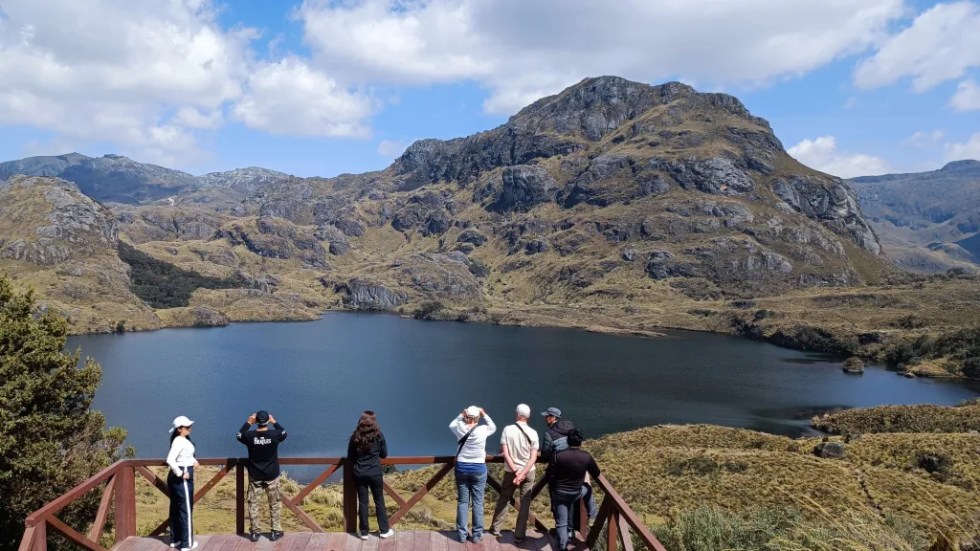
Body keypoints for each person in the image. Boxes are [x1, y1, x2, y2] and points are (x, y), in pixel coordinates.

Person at [488, 404, 539, 543]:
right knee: (525, 503)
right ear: (528, 417)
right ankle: (519, 535)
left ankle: (495, 529)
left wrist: (517, 472)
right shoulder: (533, 433)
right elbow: (533, 458)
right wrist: (522, 474)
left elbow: (505, 453)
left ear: (517, 414)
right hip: (529, 472)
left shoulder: (507, 430)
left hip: (511, 471)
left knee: (504, 499)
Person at [236, 410, 288, 541]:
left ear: (256, 422)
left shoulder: (249, 436)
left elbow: (238, 435)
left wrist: (248, 422)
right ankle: (275, 531)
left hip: (255, 476)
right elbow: (284, 432)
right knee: (274, 504)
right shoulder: (274, 435)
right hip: (272, 475)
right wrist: (274, 422)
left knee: (253, 504)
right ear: (267, 421)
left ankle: (255, 532)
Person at [546, 429, 599, 550]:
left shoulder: (558, 455)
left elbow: (549, 474)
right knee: (588, 489)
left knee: (561, 523)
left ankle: (562, 547)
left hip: (559, 493)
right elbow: (596, 473)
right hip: (576, 493)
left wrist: (554, 486)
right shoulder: (586, 456)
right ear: (581, 442)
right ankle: (592, 514)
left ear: (568, 441)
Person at [449, 405, 496, 543]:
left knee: (463, 502)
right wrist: (484, 413)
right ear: (477, 417)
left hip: (462, 468)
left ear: (466, 416)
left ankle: (462, 535)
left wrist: (460, 415)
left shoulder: (460, 428)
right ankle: (476, 535)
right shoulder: (483, 430)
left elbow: (452, 424)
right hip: (478, 469)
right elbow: (493, 426)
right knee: (477, 503)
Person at [346, 411, 395, 540]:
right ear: (373, 421)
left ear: (360, 421)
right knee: (379, 500)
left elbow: (350, 457)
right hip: (375, 473)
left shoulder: (355, 436)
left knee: (363, 502)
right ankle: (384, 530)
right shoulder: (379, 435)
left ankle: (364, 532)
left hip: (360, 473)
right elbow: (384, 455)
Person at [167, 416, 199, 551]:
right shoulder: (179, 441)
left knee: (176, 509)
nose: (190, 428)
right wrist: (181, 474)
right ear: (179, 429)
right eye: (187, 427)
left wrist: (193, 460)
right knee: (186, 510)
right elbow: (170, 459)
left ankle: (176, 540)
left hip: (177, 478)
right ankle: (187, 544)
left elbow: (184, 455)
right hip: (182, 478)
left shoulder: (180, 440)